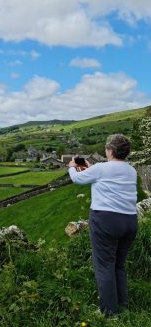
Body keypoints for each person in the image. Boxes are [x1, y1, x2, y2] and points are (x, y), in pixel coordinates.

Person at [68, 134, 138, 317]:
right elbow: (109, 176)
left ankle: (108, 313)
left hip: (106, 221)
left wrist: (71, 168)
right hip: (130, 221)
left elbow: (78, 179)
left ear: (110, 151)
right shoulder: (132, 170)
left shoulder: (101, 168)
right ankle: (122, 306)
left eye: (106, 148)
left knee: (105, 265)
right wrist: (92, 169)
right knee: (119, 266)